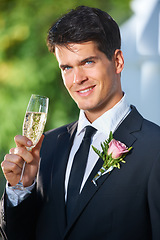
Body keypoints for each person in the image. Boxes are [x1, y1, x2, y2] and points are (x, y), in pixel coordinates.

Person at [0, 5, 160, 240]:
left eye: (87, 62)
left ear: (117, 61)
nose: (77, 79)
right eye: (66, 67)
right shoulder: (46, 147)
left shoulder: (155, 149)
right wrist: (20, 190)